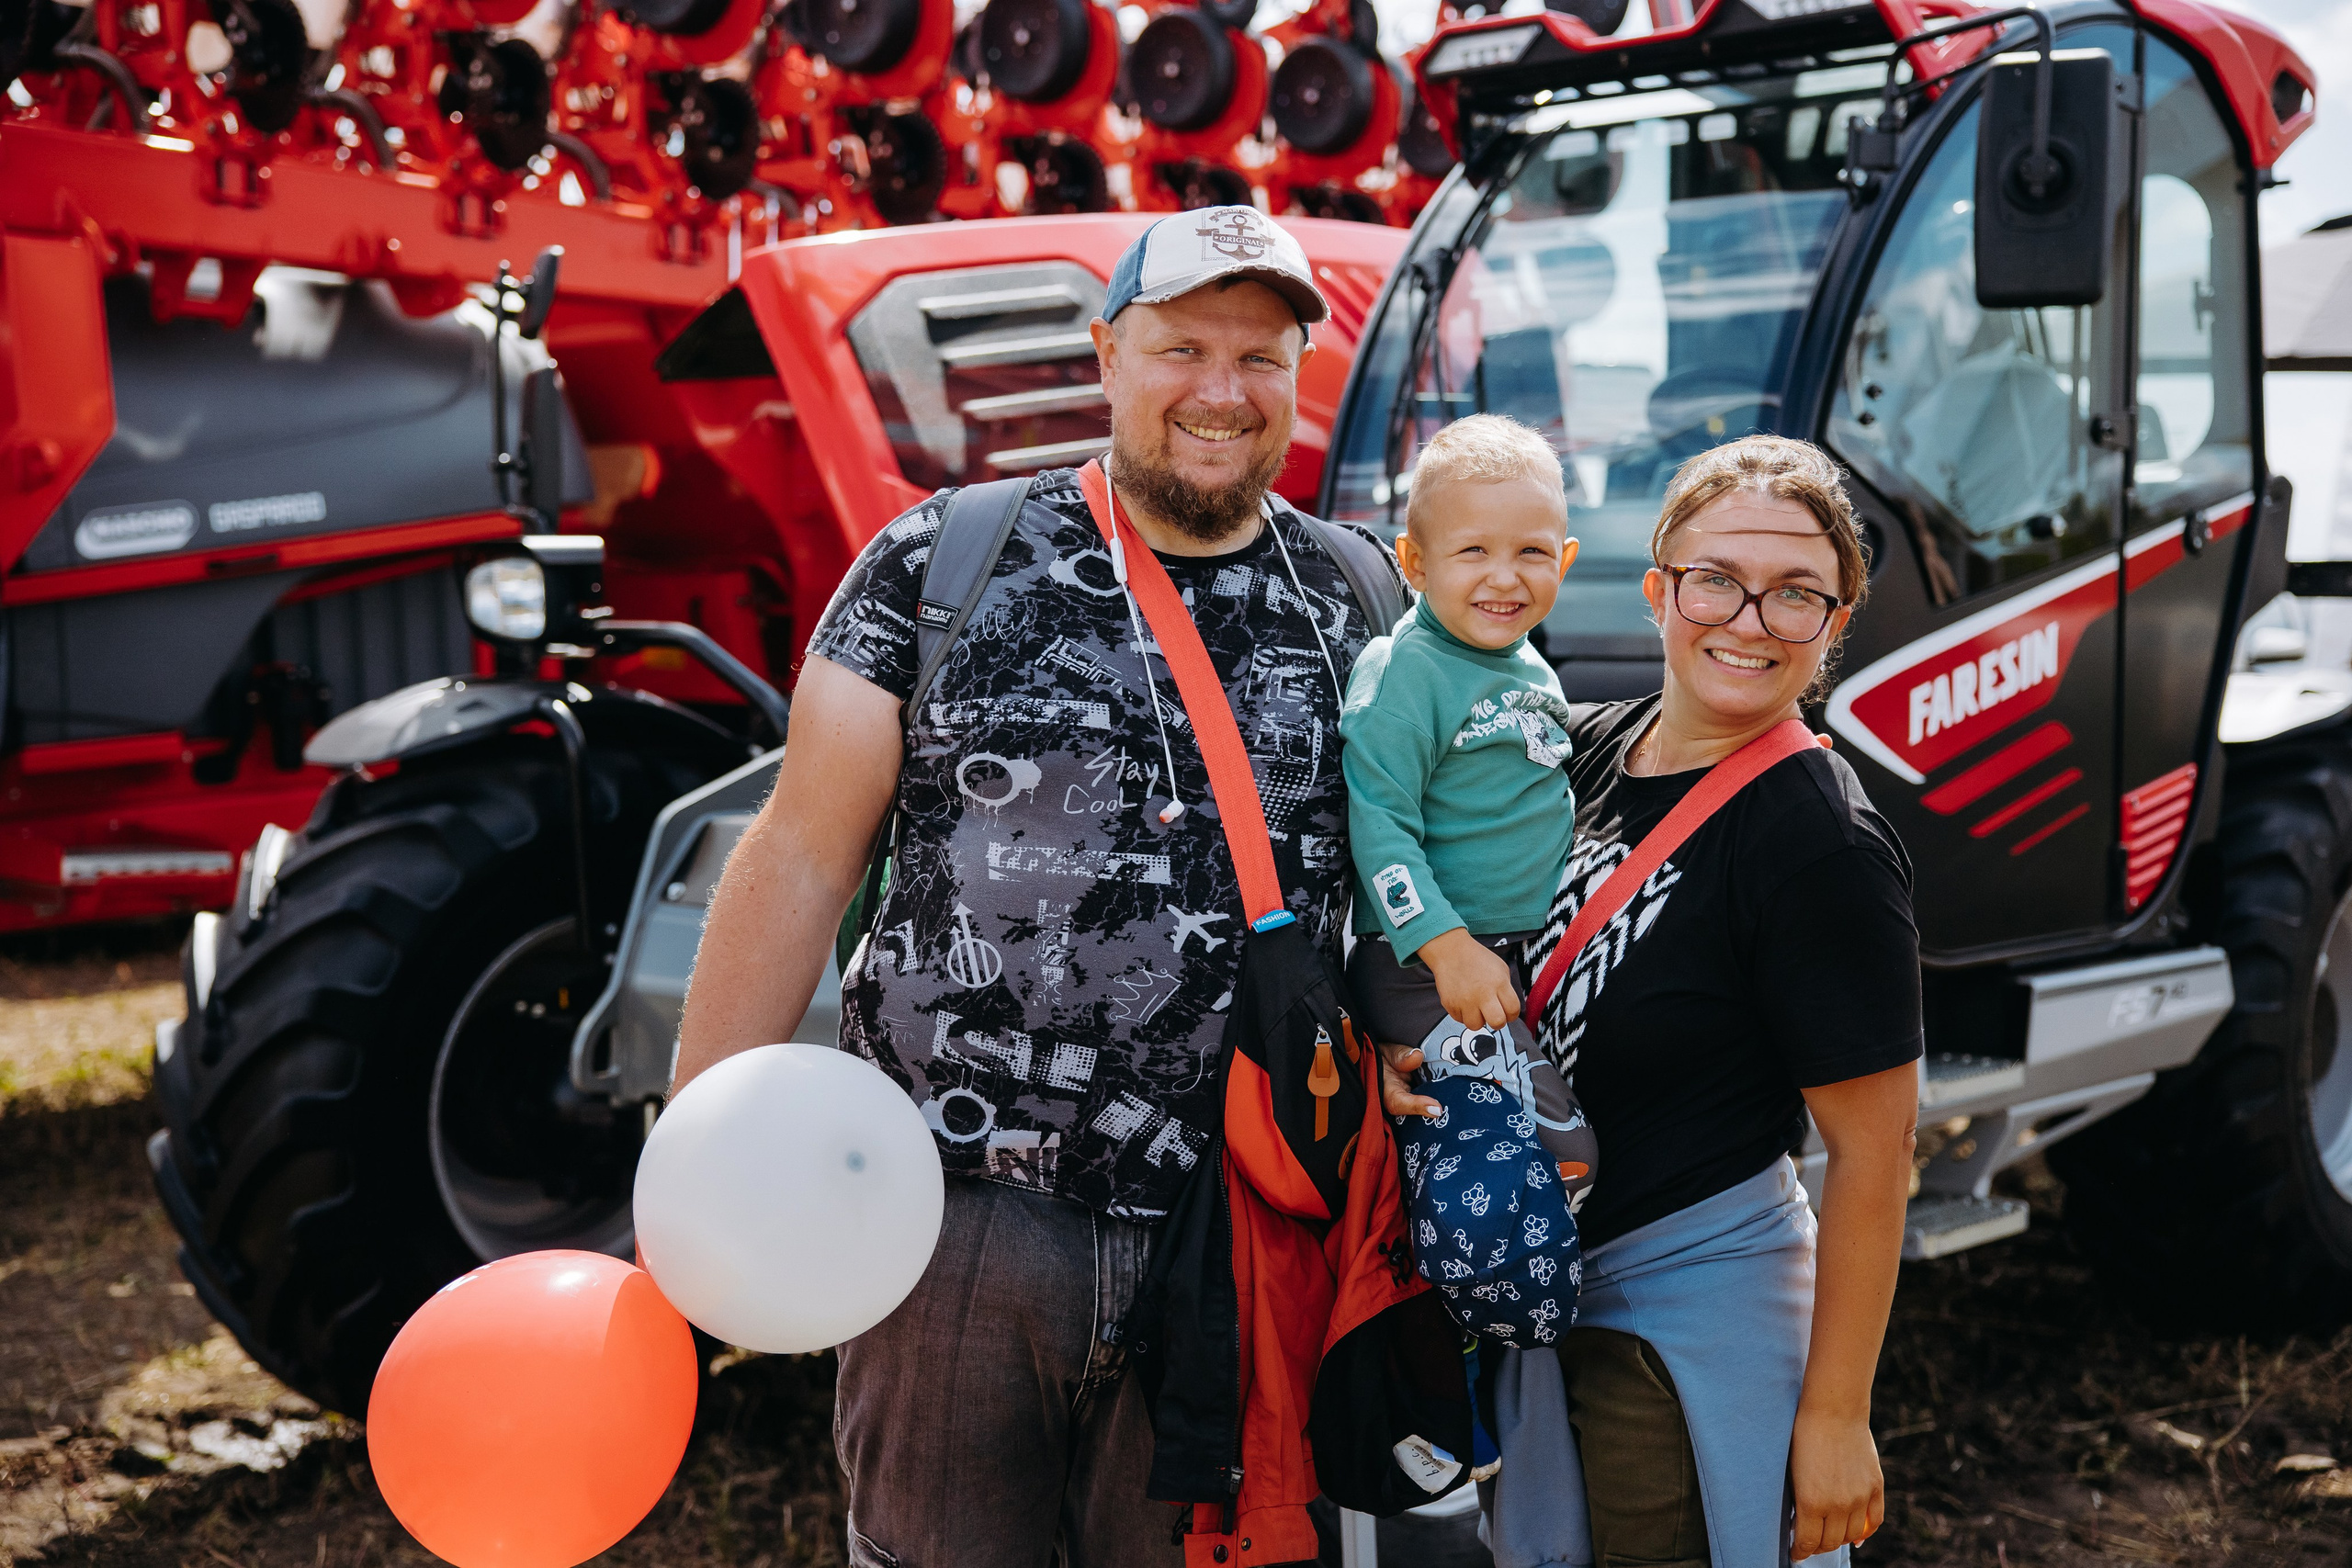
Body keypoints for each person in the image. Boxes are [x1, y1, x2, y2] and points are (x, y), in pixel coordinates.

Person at [673, 207, 1397, 1568]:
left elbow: (1416, 872)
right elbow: (801, 853)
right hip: (952, 1216)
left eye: (1263, 354)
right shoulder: (940, 563)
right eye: (1184, 347)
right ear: (1106, 354)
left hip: (1233, 1223)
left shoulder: (1354, 595)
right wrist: (696, 1162)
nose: (1223, 391)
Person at [1381, 434, 1922, 1566]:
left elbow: (1874, 1156)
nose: (1748, 619)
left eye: (1796, 597)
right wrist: (1405, 1043)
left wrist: (1833, 1417)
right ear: (1655, 588)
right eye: (1716, 579)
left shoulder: (1818, 839)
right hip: (1557, 1302)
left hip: (1688, 1327)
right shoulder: (1582, 750)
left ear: (1834, 624)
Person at [1342, 413, 1598, 1212]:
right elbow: (1379, 828)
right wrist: (1446, 948)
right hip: (1430, 970)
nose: (1505, 578)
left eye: (1531, 552)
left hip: (1517, 960)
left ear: (1565, 559)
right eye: (1473, 551)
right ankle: (1460, 1315)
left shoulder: (1527, 666)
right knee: (1566, 1162)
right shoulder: (1407, 670)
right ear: (1414, 563)